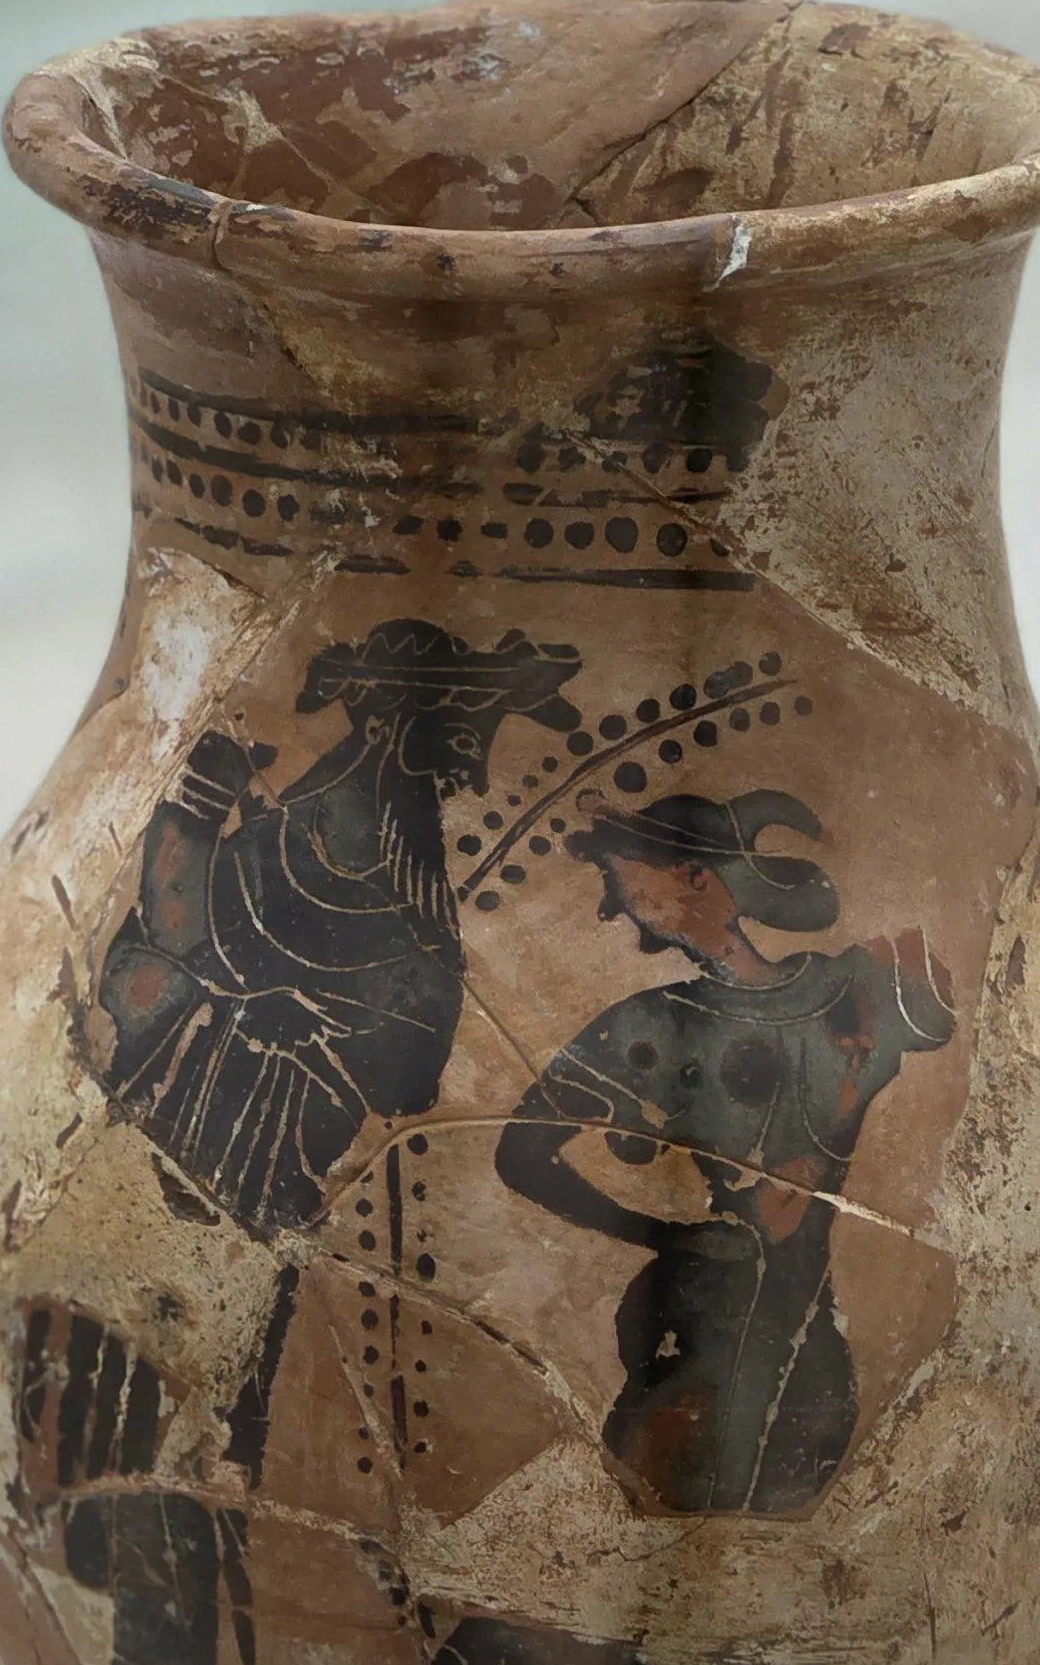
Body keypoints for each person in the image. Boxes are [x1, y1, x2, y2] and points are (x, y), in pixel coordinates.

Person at [495, 791, 955, 1515]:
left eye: (632, 886)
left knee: (777, 1506)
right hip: (696, 1317)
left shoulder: (841, 988)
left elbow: (934, 1020)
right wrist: (664, 1234)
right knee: (669, 1494)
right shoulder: (654, 1021)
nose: (627, 914)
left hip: (804, 1332)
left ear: (697, 876)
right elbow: (520, 1151)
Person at [97, 620, 581, 1235]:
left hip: (289, 1130)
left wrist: (314, 1025)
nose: (475, 775)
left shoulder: (413, 877)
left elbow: (413, 1074)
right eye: (455, 741)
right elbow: (173, 941)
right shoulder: (281, 836)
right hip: (198, 1084)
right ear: (386, 731)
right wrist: (199, 809)